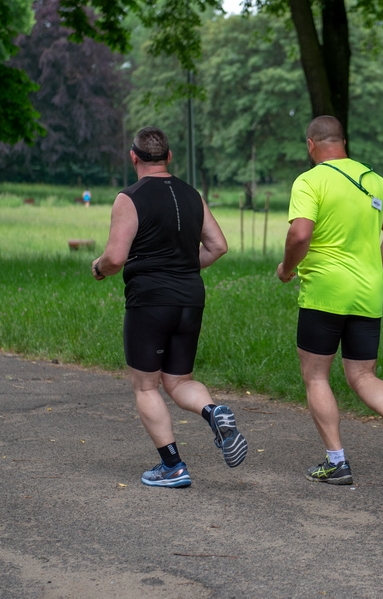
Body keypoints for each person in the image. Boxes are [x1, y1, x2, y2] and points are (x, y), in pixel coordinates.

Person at [91, 127, 245, 488]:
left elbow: (115, 257)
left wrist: (98, 267)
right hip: (191, 298)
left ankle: (173, 466)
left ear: (133, 157)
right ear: (169, 157)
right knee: (178, 381)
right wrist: (186, 269)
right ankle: (213, 411)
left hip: (150, 301)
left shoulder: (129, 198)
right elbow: (218, 246)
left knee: (146, 386)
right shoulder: (193, 195)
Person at [276, 115, 383, 485]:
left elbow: (299, 234)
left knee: (315, 376)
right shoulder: (374, 180)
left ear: (312, 144)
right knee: (362, 374)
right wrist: (373, 268)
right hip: (367, 291)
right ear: (343, 141)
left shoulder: (310, 180)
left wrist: (286, 268)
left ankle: (336, 462)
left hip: (325, 291)